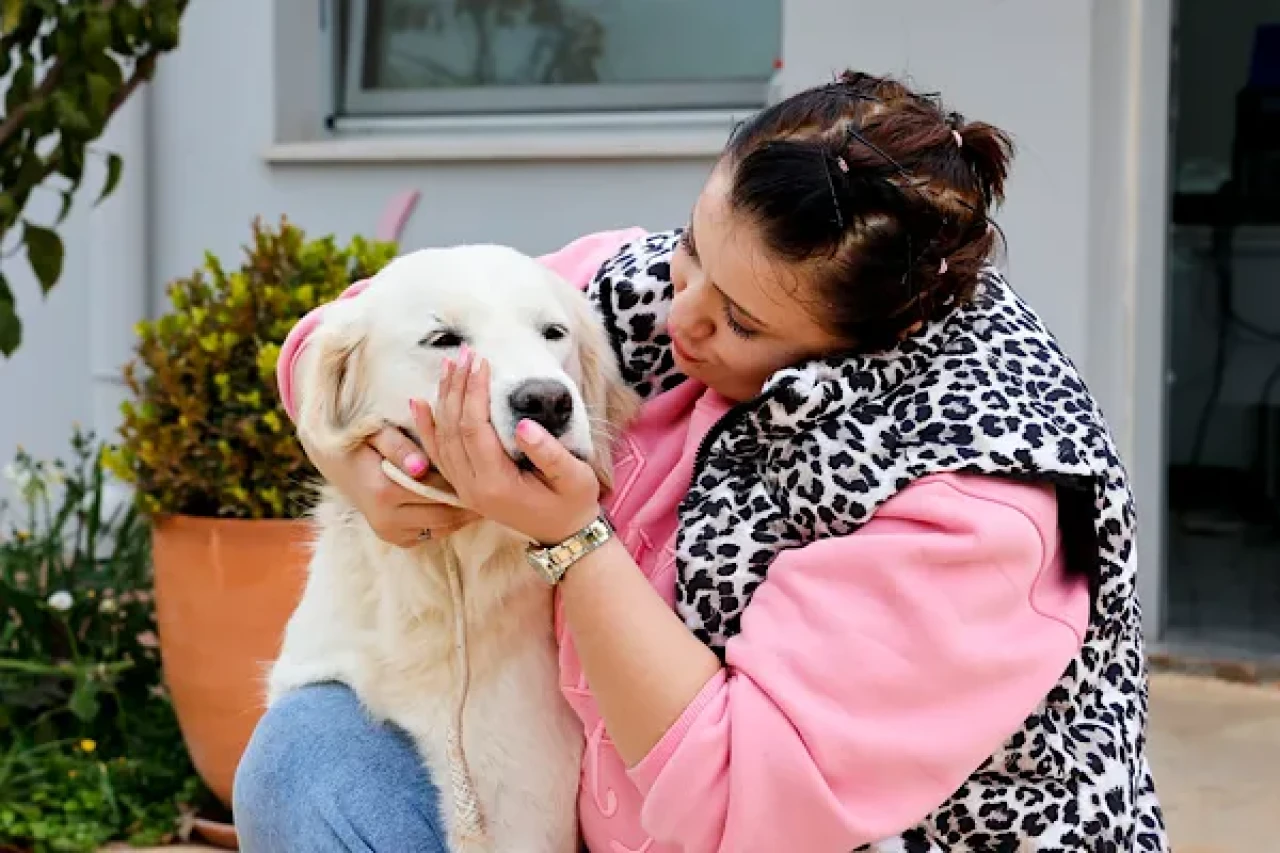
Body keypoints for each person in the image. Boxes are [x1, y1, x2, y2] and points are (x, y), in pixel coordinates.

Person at [233, 71, 1169, 853]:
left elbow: (744, 809)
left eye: (741, 321)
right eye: (690, 250)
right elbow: (384, 317)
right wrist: (348, 451)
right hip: (597, 816)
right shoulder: (684, 287)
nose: (678, 317)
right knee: (311, 757)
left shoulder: (971, 510)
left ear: (857, 344)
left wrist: (572, 540)